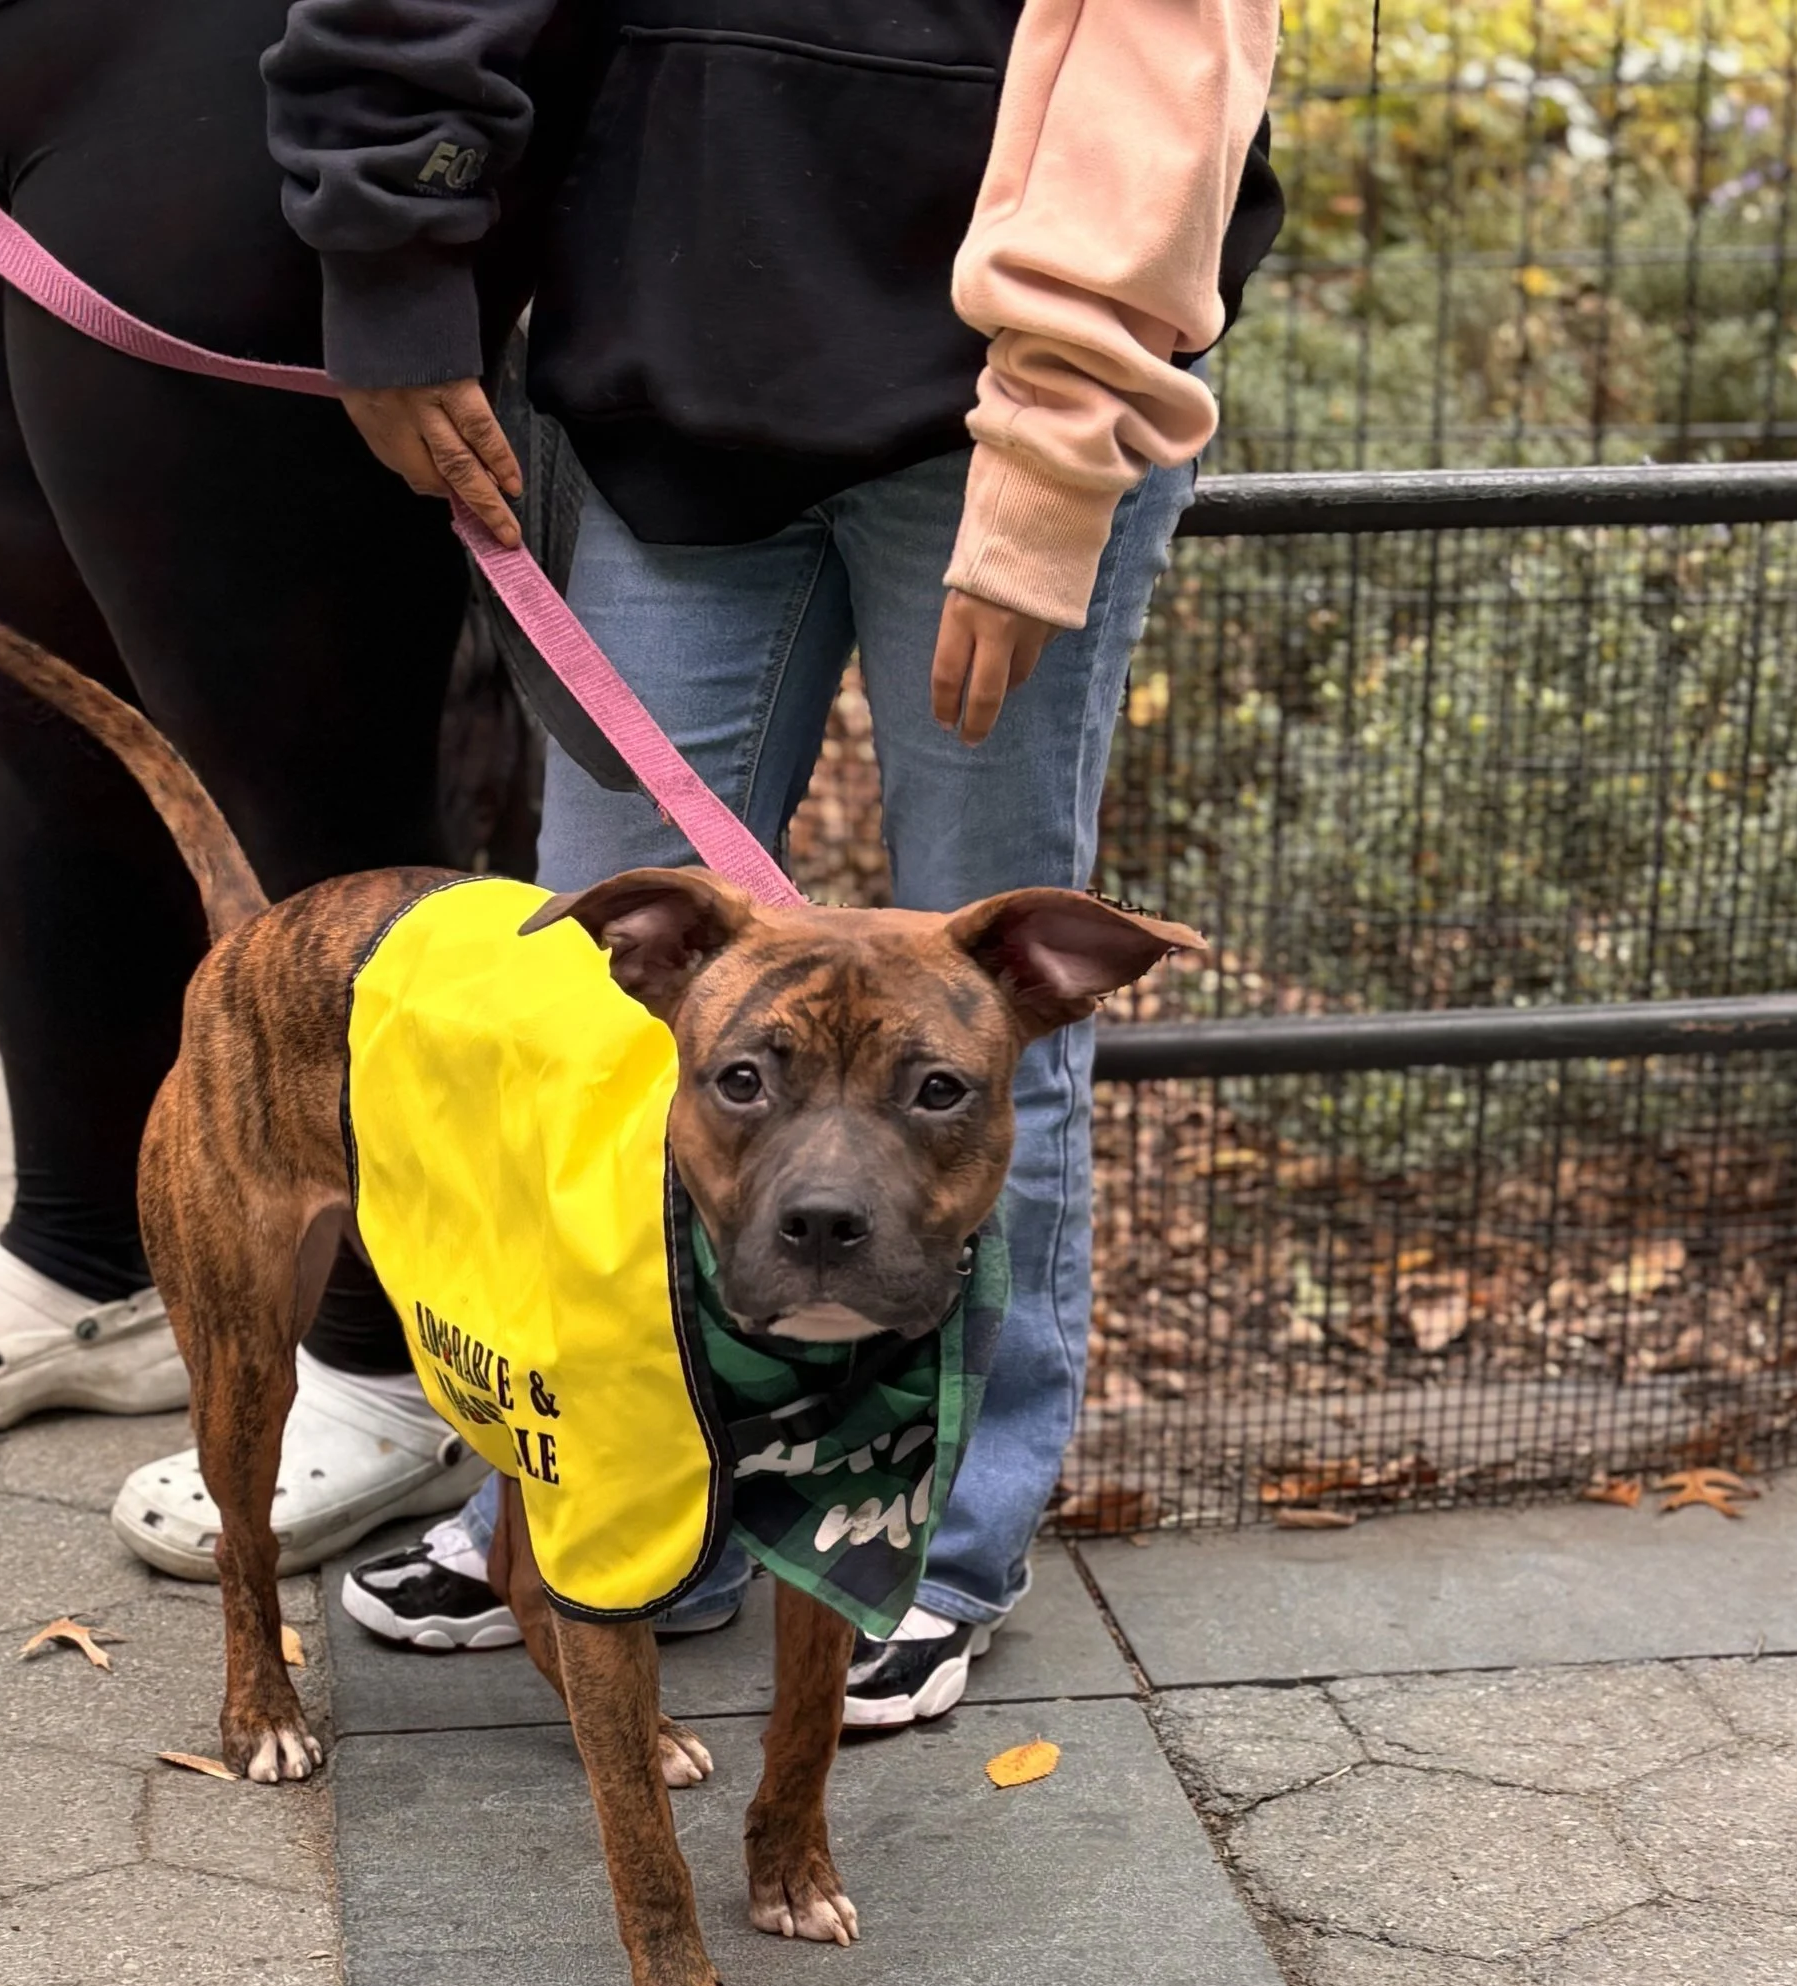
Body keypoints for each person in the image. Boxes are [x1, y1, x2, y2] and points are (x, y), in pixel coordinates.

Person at [196, 0, 1283, 1720]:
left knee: (990, 1025)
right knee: (597, 1020)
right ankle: (608, 1506)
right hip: (664, 363)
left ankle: (934, 1539)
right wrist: (395, 261)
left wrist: (1067, 423)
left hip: (1007, 400)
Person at [0, 0, 546, 1576]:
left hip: (234, 72)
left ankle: (394, 1359)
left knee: (303, 793)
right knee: (34, 710)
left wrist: (400, 226)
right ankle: (97, 1254)